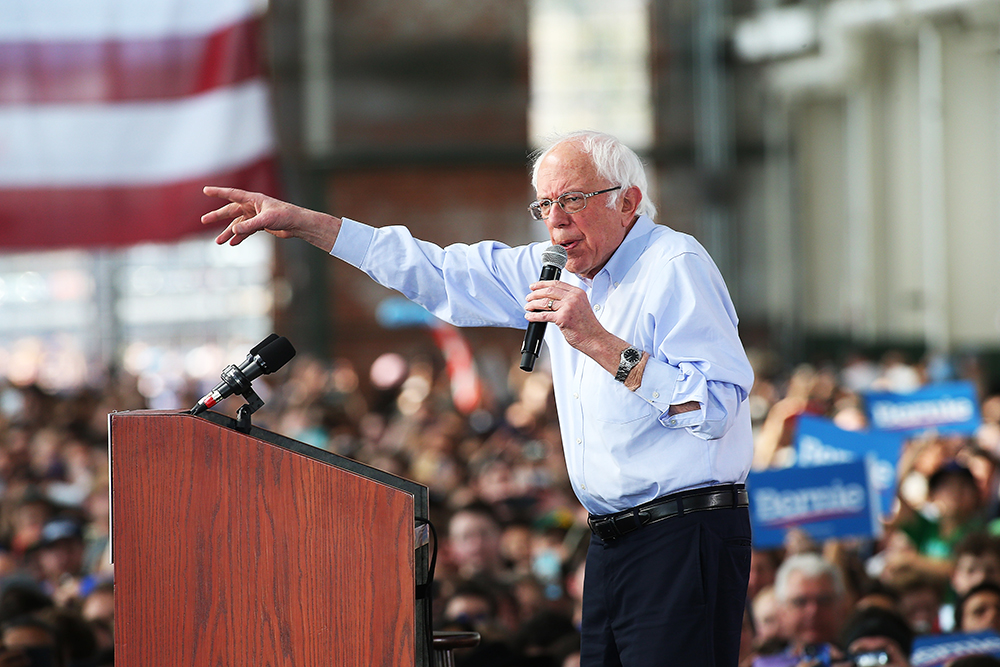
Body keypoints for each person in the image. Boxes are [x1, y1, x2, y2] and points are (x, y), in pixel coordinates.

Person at [203, 129, 755, 667]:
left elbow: (715, 407)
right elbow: (436, 272)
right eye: (544, 205)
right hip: (611, 542)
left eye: (573, 200)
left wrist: (601, 344)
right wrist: (306, 224)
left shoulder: (674, 266)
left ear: (628, 201)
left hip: (686, 536)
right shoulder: (553, 269)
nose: (557, 219)